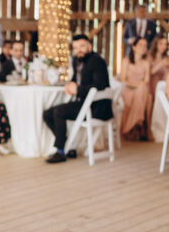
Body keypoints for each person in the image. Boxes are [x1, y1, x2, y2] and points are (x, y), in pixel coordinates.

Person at [43, 34, 112, 163]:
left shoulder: (97, 61)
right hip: (84, 104)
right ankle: (65, 142)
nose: (78, 50)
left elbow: (100, 85)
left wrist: (78, 89)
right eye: (75, 47)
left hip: (97, 108)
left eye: (82, 46)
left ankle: (60, 150)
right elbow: (76, 79)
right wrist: (70, 85)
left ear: (89, 46)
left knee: (59, 112)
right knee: (47, 114)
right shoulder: (76, 60)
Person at [120, 36, 152, 140]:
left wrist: (140, 87)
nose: (143, 47)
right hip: (128, 89)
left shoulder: (146, 63)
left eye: (145, 46)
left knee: (144, 92)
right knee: (143, 91)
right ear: (134, 47)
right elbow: (123, 80)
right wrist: (138, 86)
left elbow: (147, 80)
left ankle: (135, 124)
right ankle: (139, 121)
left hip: (141, 90)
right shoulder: (126, 61)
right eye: (140, 45)